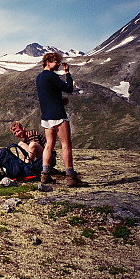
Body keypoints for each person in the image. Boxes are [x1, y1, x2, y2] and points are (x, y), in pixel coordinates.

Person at [36, 52, 88, 187]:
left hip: (46, 116)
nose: (58, 64)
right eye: (56, 61)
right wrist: (67, 73)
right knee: (66, 145)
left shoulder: (39, 77)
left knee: (49, 145)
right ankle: (71, 177)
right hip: (58, 115)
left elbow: (47, 96)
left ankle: (45, 176)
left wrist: (60, 100)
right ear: (47, 62)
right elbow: (69, 88)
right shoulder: (51, 76)